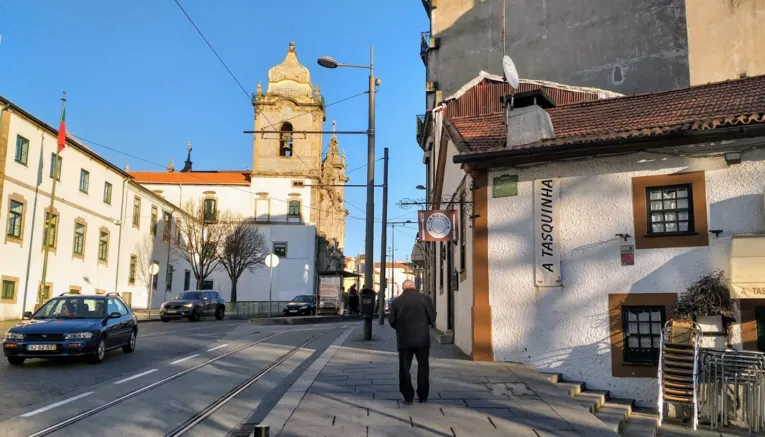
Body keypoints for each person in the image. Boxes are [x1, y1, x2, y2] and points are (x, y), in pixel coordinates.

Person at [388, 279, 436, 405]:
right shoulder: (424, 299)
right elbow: (432, 317)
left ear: (404, 288)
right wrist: (425, 325)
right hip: (422, 338)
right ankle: (423, 395)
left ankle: (408, 395)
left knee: (404, 368)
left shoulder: (397, 301)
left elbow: (392, 320)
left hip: (404, 339)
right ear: (414, 287)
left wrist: (400, 328)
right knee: (423, 366)